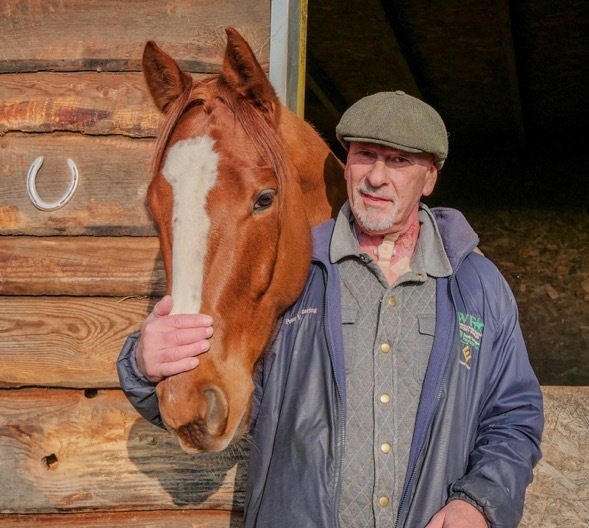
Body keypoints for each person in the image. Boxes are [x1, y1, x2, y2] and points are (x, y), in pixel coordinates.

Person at [117, 90, 544, 527]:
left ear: (429, 178)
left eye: (398, 161)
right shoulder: (299, 275)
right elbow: (221, 385)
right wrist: (146, 364)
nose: (376, 176)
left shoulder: (477, 286)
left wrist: (478, 502)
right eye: (365, 155)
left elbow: (514, 416)